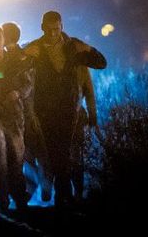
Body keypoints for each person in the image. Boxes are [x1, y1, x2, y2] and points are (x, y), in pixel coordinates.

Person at [24, 11, 107, 209]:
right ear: (43, 27)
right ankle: (64, 196)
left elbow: (101, 63)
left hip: (70, 109)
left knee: (64, 153)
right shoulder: (35, 48)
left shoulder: (73, 46)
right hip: (45, 111)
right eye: (49, 30)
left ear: (61, 26)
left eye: (56, 29)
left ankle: (65, 195)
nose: (53, 34)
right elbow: (15, 71)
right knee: (56, 154)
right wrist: (23, 55)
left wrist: (88, 49)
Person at [2, 22, 52, 204]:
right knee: (29, 154)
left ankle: (38, 189)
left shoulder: (18, 57)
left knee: (28, 154)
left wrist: (17, 95)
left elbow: (27, 85)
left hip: (23, 114)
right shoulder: (21, 56)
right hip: (23, 113)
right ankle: (35, 190)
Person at [0, 24, 32, 214]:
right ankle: (4, 202)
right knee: (0, 160)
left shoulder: (14, 60)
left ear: (4, 38)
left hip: (14, 115)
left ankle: (19, 200)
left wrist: (18, 93)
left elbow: (27, 84)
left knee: (17, 159)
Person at [70, 66, 98, 203]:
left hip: (62, 117)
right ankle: (76, 195)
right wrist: (92, 116)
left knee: (68, 157)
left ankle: (69, 195)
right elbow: (89, 92)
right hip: (75, 116)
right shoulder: (80, 65)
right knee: (75, 158)